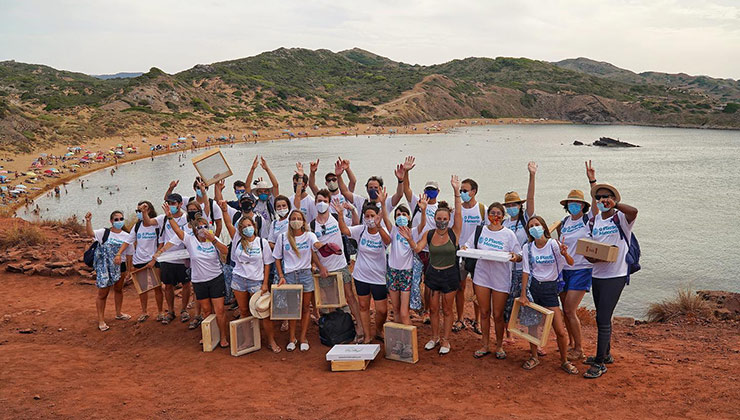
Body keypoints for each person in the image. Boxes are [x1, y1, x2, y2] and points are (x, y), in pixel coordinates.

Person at [583, 161, 638, 379]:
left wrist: (614, 205)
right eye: (599, 197)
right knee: (603, 316)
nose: (602, 200)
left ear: (614, 200)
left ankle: (599, 363)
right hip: (597, 273)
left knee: (602, 319)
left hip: (615, 275)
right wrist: (592, 182)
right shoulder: (595, 220)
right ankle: (605, 354)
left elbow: (634, 211)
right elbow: (592, 247)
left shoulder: (621, 219)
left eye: (606, 197)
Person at [151, 207, 230, 348]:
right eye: (199, 227)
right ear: (195, 230)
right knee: (206, 310)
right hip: (199, 280)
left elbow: (226, 251)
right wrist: (169, 217)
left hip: (215, 278)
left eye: (205, 226)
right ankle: (209, 335)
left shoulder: (213, 238)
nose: (203, 229)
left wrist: (213, 240)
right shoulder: (190, 240)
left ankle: (223, 336)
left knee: (219, 310)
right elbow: (177, 232)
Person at [518, 215, 579, 375]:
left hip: (550, 289)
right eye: (531, 226)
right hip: (534, 288)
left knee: (559, 329)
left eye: (537, 224)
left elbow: (571, 262)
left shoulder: (554, 244)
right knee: (532, 326)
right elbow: (525, 271)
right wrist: (523, 294)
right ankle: (534, 356)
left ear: (544, 226)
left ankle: (564, 360)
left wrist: (565, 253)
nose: (534, 228)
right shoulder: (527, 247)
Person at [409, 175, 462, 354]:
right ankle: (434, 337)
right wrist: (409, 238)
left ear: (449, 219)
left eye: (444, 218)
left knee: (447, 309)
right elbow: (418, 249)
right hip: (433, 274)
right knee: (432, 309)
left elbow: (459, 214)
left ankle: (445, 340)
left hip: (449, 275)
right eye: (438, 218)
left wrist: (456, 191)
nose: (441, 221)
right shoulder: (429, 234)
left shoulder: (454, 233)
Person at [219, 201, 280, 353]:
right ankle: (248, 339)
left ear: (254, 226)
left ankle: (270, 340)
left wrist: (265, 283)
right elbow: (228, 224)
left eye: (249, 225)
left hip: (256, 281)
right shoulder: (238, 241)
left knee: (263, 312)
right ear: (241, 229)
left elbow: (268, 264)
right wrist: (225, 210)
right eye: (244, 226)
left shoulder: (262, 243)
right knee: (244, 311)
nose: (247, 228)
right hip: (239, 281)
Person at [463, 202, 522, 359]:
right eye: (492, 213)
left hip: (501, 278)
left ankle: (500, 345)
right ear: (488, 215)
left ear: (503, 216)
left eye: (498, 213)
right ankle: (485, 344)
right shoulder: (480, 231)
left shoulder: (509, 234)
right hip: (482, 276)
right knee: (484, 312)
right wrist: (463, 248)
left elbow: (518, 254)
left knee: (498, 314)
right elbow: (467, 246)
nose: (495, 216)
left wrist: (515, 257)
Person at [335, 193, 391, 343]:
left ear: (377, 216)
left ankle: (378, 329)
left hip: (379, 277)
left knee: (382, 310)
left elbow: (388, 241)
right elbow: (345, 231)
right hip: (361, 276)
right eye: (367, 216)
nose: (370, 219)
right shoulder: (361, 230)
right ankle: (367, 335)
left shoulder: (382, 230)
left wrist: (379, 226)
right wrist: (340, 214)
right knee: (364, 306)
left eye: (372, 215)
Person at [310, 189, 364, 340]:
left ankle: (359, 325)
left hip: (341, 265)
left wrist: (343, 213)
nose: (322, 204)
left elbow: (352, 226)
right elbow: (311, 250)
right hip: (325, 269)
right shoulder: (312, 225)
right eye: (319, 200)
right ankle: (337, 330)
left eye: (325, 201)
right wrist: (320, 267)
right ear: (315, 202)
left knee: (350, 296)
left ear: (329, 203)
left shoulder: (335, 217)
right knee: (331, 300)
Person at [272, 209, 326, 352]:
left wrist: (324, 247)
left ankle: (303, 338)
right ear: (289, 222)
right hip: (290, 275)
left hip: (305, 274)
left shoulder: (309, 236)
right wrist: (281, 275)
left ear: (303, 221)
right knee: (292, 309)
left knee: (305, 307)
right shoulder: (283, 237)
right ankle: (292, 338)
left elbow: (316, 245)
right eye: (293, 218)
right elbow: (277, 258)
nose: (296, 221)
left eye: (299, 218)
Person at [556, 188, 593, 361]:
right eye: (570, 203)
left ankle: (579, 349)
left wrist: (592, 180)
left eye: (577, 203)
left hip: (582, 268)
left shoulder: (588, 220)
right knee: (565, 310)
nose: (573, 206)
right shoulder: (564, 222)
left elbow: (595, 200)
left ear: (583, 206)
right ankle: (570, 344)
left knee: (570, 309)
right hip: (565, 269)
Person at [502, 161, 537, 342]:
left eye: (514, 204)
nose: (511, 208)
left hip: (525, 269)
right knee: (508, 303)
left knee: (528, 303)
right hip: (508, 270)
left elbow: (531, 200)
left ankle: (534, 339)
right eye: (508, 206)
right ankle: (509, 334)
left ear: (520, 205)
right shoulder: (504, 223)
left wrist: (532, 176)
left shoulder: (525, 219)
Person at [114, 201, 165, 323]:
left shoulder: (157, 225)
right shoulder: (137, 227)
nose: (139, 213)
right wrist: (119, 253)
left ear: (149, 210)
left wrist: (154, 259)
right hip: (139, 261)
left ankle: (160, 312)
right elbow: (128, 241)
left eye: (142, 210)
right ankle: (144, 312)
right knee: (142, 288)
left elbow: (161, 244)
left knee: (157, 287)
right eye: (137, 211)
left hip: (153, 261)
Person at [85, 210, 132, 331]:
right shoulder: (104, 233)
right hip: (105, 267)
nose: (119, 221)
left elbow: (129, 255)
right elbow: (90, 233)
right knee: (103, 294)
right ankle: (101, 320)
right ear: (111, 221)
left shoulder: (127, 236)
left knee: (118, 289)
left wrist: (129, 270)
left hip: (120, 266)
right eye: (116, 219)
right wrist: (88, 221)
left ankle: (118, 313)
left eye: (121, 219)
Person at [155, 193, 193, 326]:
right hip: (167, 258)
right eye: (169, 203)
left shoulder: (187, 218)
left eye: (173, 203)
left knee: (186, 284)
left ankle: (184, 309)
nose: (171, 206)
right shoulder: (164, 218)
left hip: (183, 257)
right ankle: (170, 311)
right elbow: (148, 222)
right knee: (168, 286)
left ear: (180, 204)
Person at [456, 178, 487, 334]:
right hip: (460, 254)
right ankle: (460, 319)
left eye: (465, 190)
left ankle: (478, 321)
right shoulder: (457, 210)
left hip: (477, 255)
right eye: (460, 190)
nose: (462, 193)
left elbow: (489, 230)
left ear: (473, 191)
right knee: (459, 287)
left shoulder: (482, 209)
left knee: (478, 289)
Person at [386, 204, 417, 325]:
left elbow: (423, 224)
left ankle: (409, 341)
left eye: (404, 214)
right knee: (396, 310)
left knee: (404, 312)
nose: (401, 217)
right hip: (393, 271)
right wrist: (384, 204)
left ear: (409, 217)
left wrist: (423, 211)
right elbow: (384, 217)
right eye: (398, 215)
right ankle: (399, 338)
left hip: (406, 273)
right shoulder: (394, 230)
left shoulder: (413, 231)